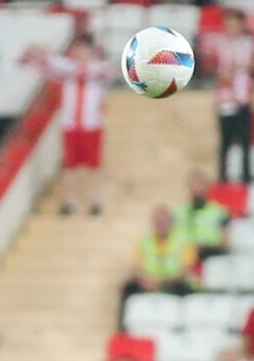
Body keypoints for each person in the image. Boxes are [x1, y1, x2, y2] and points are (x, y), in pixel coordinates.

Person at [23, 35, 111, 215]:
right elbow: (47, 66)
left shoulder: (97, 69)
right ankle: (69, 201)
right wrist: (38, 52)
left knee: (94, 165)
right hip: (71, 124)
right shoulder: (68, 68)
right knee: (70, 165)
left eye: (84, 49)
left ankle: (95, 200)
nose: (81, 53)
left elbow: (56, 65)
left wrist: (45, 54)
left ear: (92, 51)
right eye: (78, 49)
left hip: (91, 124)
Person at [119, 205, 198, 325]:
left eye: (164, 221)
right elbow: (136, 267)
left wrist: (160, 282)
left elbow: (185, 271)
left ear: (171, 222)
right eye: (157, 221)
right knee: (128, 288)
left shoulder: (184, 240)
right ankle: (125, 329)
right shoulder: (144, 241)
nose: (161, 224)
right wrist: (145, 280)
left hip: (173, 283)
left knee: (186, 288)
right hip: (149, 282)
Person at [215, 8, 254, 185]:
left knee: (245, 140)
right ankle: (223, 177)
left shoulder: (249, 44)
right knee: (225, 140)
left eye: (235, 24)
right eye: (229, 24)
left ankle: (246, 177)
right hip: (226, 98)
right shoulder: (220, 44)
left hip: (243, 96)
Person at [175, 170, 231, 261]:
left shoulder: (219, 212)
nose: (197, 190)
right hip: (183, 260)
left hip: (210, 258)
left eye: (200, 187)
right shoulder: (178, 213)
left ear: (207, 188)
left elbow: (225, 244)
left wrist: (203, 247)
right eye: (194, 187)